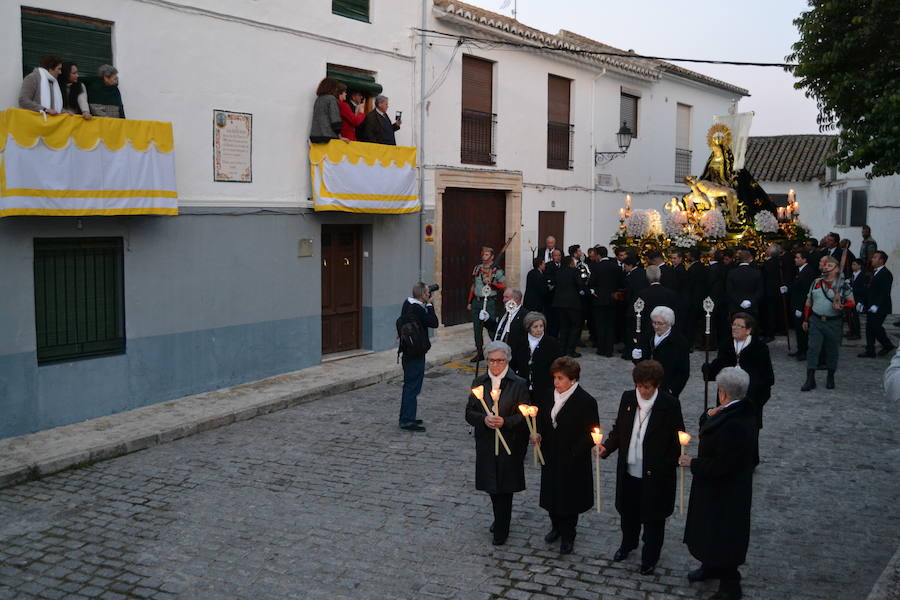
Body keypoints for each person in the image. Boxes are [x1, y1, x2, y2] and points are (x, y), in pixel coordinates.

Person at [600, 360, 685, 575]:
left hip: (656, 474)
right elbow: (619, 429)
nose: (642, 391)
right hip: (629, 470)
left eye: (647, 387)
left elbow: (676, 441)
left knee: (653, 518)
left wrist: (667, 463)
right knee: (628, 513)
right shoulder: (628, 398)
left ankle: (650, 556)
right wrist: (606, 447)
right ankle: (628, 544)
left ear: (656, 385)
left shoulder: (669, 404)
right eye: (639, 386)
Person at [680, 367, 757, 600]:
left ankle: (730, 585)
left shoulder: (735, 423)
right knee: (710, 531)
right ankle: (710, 565)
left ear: (723, 393)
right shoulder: (736, 411)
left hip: (726, 490)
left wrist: (692, 463)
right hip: (715, 488)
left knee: (724, 536)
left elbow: (724, 464)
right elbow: (710, 421)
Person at [531, 357, 600, 554]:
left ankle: (569, 534)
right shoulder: (547, 395)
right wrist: (538, 435)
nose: (556, 382)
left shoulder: (586, 401)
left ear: (573, 379)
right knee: (552, 495)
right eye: (555, 378)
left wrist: (573, 452)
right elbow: (543, 422)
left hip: (572, 460)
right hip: (551, 456)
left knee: (569, 499)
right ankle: (556, 527)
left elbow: (591, 433)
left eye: (560, 378)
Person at [464, 341, 530, 545]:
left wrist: (506, 421)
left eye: (500, 361)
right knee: (492, 485)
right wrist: (484, 420)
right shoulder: (479, 382)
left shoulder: (518, 383)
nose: (496, 365)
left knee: (505, 487)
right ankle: (499, 518)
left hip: (509, 442)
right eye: (492, 361)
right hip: (486, 441)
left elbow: (525, 415)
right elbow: (469, 413)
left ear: (507, 360)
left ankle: (502, 526)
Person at [702, 312, 774, 464]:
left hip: (750, 396)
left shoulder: (759, 348)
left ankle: (749, 460)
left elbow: (766, 375)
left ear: (748, 330)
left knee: (749, 429)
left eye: (739, 326)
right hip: (726, 394)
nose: (734, 328)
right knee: (724, 425)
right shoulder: (727, 344)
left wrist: (757, 395)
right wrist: (708, 368)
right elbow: (719, 363)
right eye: (733, 325)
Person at [802, 256, 855, 390]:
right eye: (824, 265)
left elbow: (852, 302)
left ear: (837, 269)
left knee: (832, 350)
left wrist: (843, 305)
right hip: (816, 320)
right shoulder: (816, 282)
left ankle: (830, 377)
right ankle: (810, 378)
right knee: (813, 348)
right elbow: (809, 301)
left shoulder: (843, 285)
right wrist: (806, 319)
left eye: (829, 265)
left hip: (834, 322)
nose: (825, 267)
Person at [397, 282, 439, 431]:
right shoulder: (418, 309)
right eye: (428, 292)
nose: (429, 294)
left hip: (407, 351)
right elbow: (434, 323)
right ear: (423, 295)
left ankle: (407, 416)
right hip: (415, 353)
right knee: (412, 387)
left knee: (410, 385)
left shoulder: (407, 304)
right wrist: (429, 305)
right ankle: (407, 420)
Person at [633, 306, 690, 399]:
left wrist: (672, 390)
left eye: (660, 323)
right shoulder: (648, 335)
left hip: (666, 389)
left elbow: (683, 371)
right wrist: (636, 357)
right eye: (654, 322)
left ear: (669, 323)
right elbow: (640, 363)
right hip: (645, 386)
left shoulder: (679, 341)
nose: (656, 326)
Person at [510, 312, 564, 402]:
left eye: (541, 326)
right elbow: (513, 364)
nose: (539, 330)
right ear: (528, 327)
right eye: (535, 327)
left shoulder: (552, 343)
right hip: (523, 388)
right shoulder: (519, 342)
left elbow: (559, 366)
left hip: (545, 388)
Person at [467, 247, 505, 362]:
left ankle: (497, 351)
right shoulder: (477, 268)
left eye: (487, 254)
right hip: (477, 302)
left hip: (489, 302)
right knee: (477, 328)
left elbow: (503, 285)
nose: (484, 256)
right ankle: (479, 352)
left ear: (492, 257)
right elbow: (473, 286)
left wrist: (492, 283)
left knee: (491, 327)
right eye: (483, 254)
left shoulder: (496, 270)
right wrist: (469, 301)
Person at [859, 251, 895, 358]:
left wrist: (877, 305)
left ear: (881, 260)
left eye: (875, 257)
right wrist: (862, 303)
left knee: (875, 327)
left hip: (881, 307)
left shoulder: (886, 273)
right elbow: (869, 290)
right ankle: (870, 350)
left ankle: (887, 345)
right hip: (871, 305)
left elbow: (884, 291)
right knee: (869, 327)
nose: (872, 259)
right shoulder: (874, 272)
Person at [588, 245, 620, 356]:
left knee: (600, 326)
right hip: (612, 299)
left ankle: (601, 349)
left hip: (599, 300)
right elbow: (619, 283)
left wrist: (593, 291)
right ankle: (609, 350)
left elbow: (591, 283)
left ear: (598, 255)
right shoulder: (615, 266)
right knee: (611, 326)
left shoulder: (596, 267)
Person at [637, 265, 682, 338]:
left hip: (647, 331)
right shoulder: (671, 293)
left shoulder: (642, 294)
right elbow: (677, 313)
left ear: (647, 277)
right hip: (667, 330)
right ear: (660, 276)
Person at [553, 256, 584, 358]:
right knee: (575, 326)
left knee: (563, 327)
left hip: (559, 303)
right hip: (572, 303)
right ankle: (570, 350)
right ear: (570, 263)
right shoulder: (575, 271)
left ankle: (562, 350)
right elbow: (580, 284)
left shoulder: (558, 272)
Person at [789, 250, 817, 362]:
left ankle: (804, 351)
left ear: (804, 259)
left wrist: (800, 308)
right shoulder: (801, 270)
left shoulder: (807, 272)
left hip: (802, 306)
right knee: (799, 330)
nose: (795, 259)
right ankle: (800, 349)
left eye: (797, 257)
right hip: (797, 304)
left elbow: (805, 292)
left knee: (802, 330)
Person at [622, 256, 649, 360]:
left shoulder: (630, 276)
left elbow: (629, 294)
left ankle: (630, 352)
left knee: (631, 332)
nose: (624, 268)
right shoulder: (644, 272)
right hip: (644, 306)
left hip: (632, 307)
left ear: (630, 265)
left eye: (625, 266)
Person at [726, 249, 762, 317]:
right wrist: (751, 301)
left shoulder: (731, 273)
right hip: (752, 307)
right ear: (749, 258)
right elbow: (760, 290)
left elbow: (729, 290)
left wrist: (739, 301)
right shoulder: (757, 272)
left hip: (736, 306)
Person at [309, 77, 347, 143]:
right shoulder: (331, 99)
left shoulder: (318, 99)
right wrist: (339, 135)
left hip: (315, 136)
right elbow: (335, 119)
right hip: (328, 137)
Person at [847, 258, 869, 340]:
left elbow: (864, 290)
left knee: (855, 317)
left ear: (859, 266)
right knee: (850, 316)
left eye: (854, 264)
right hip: (851, 298)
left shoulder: (863, 276)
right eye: (852, 264)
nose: (852, 266)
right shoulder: (853, 274)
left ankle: (857, 333)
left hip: (858, 299)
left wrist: (852, 288)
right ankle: (851, 331)